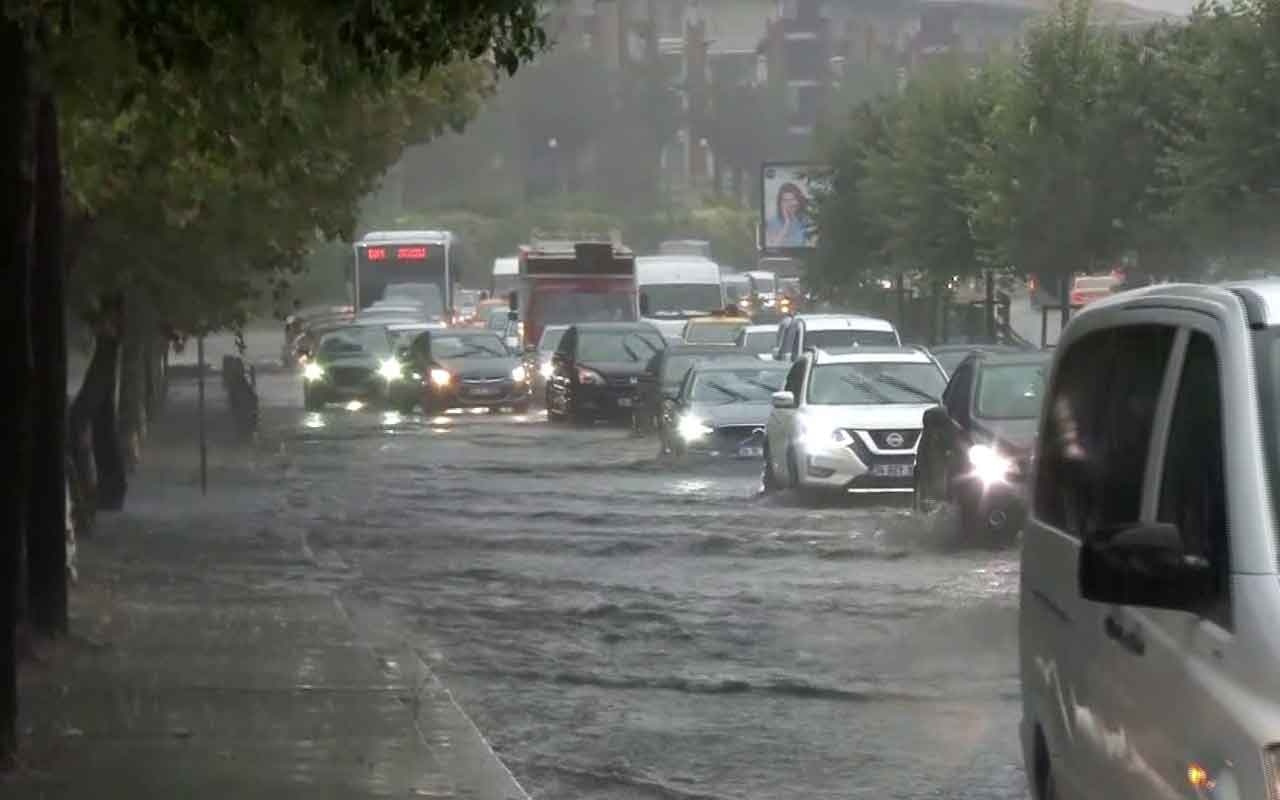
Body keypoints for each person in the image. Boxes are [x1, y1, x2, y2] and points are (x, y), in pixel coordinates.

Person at [765, 182, 812, 248]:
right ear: (780, 203)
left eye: (792, 199)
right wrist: (787, 224)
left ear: (798, 201)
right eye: (785, 201)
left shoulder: (805, 220)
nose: (789, 204)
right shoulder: (772, 222)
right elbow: (773, 247)